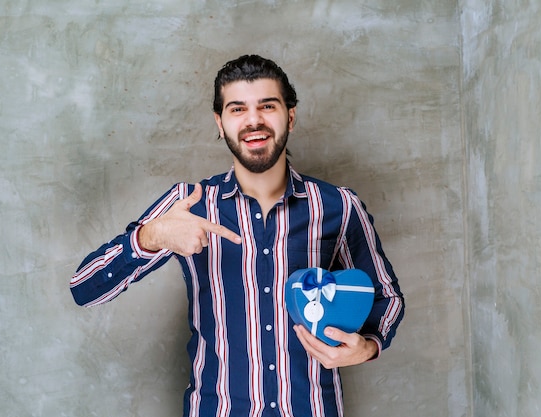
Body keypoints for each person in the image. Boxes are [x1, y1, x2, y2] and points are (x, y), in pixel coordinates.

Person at [70, 54, 404, 417]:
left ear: (290, 116)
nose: (254, 120)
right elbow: (84, 288)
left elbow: (386, 296)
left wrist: (368, 347)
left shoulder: (338, 206)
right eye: (237, 109)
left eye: (267, 105)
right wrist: (150, 237)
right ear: (220, 122)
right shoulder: (190, 204)